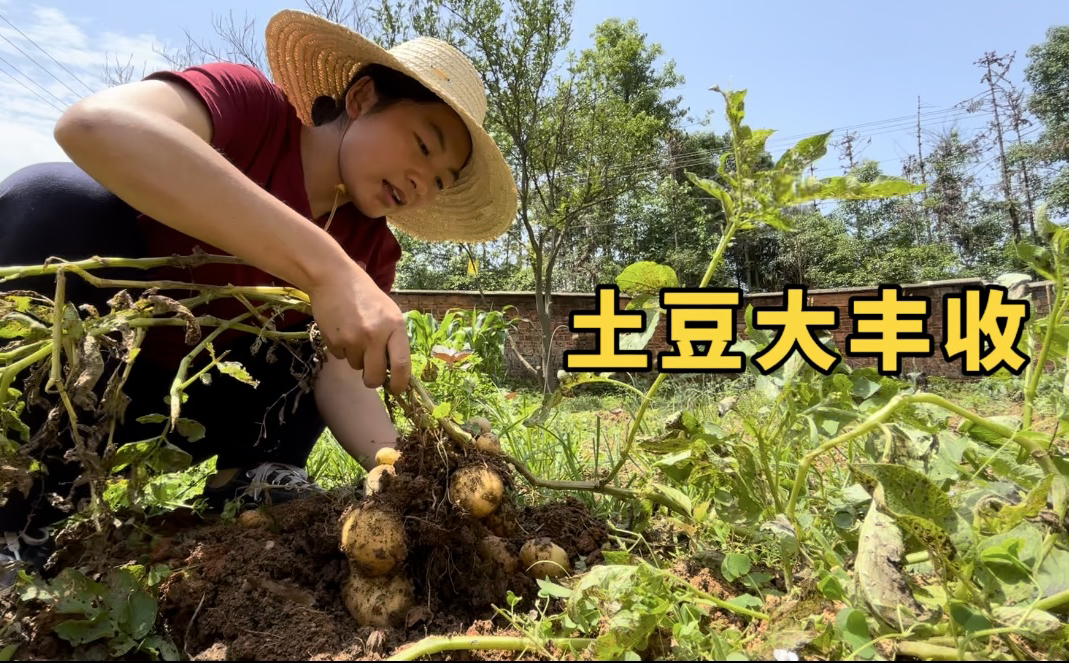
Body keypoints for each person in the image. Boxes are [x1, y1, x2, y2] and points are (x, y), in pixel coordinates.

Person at [0, 9, 518, 580]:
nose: (423, 184)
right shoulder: (249, 107)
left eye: (441, 180)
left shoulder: (372, 250)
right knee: (54, 198)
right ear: (363, 97)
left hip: (201, 414)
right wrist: (325, 269)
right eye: (424, 145)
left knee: (315, 337)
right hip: (98, 390)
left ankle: (252, 480)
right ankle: (25, 497)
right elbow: (95, 125)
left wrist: (409, 466)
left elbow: (340, 374)